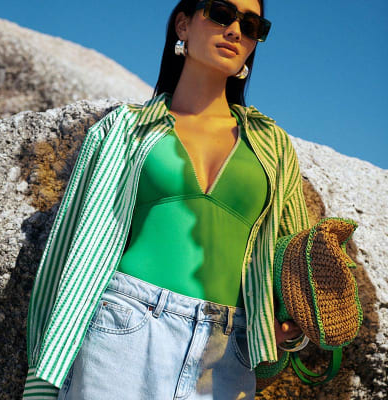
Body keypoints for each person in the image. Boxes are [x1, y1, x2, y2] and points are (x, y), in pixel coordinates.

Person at [22, 0, 310, 398]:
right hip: (123, 325)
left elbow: (296, 256)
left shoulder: (272, 145)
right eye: (221, 13)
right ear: (183, 25)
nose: (235, 31)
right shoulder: (124, 129)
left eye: (251, 24)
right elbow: (70, 252)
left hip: (226, 350)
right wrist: (41, 381)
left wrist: (293, 327)